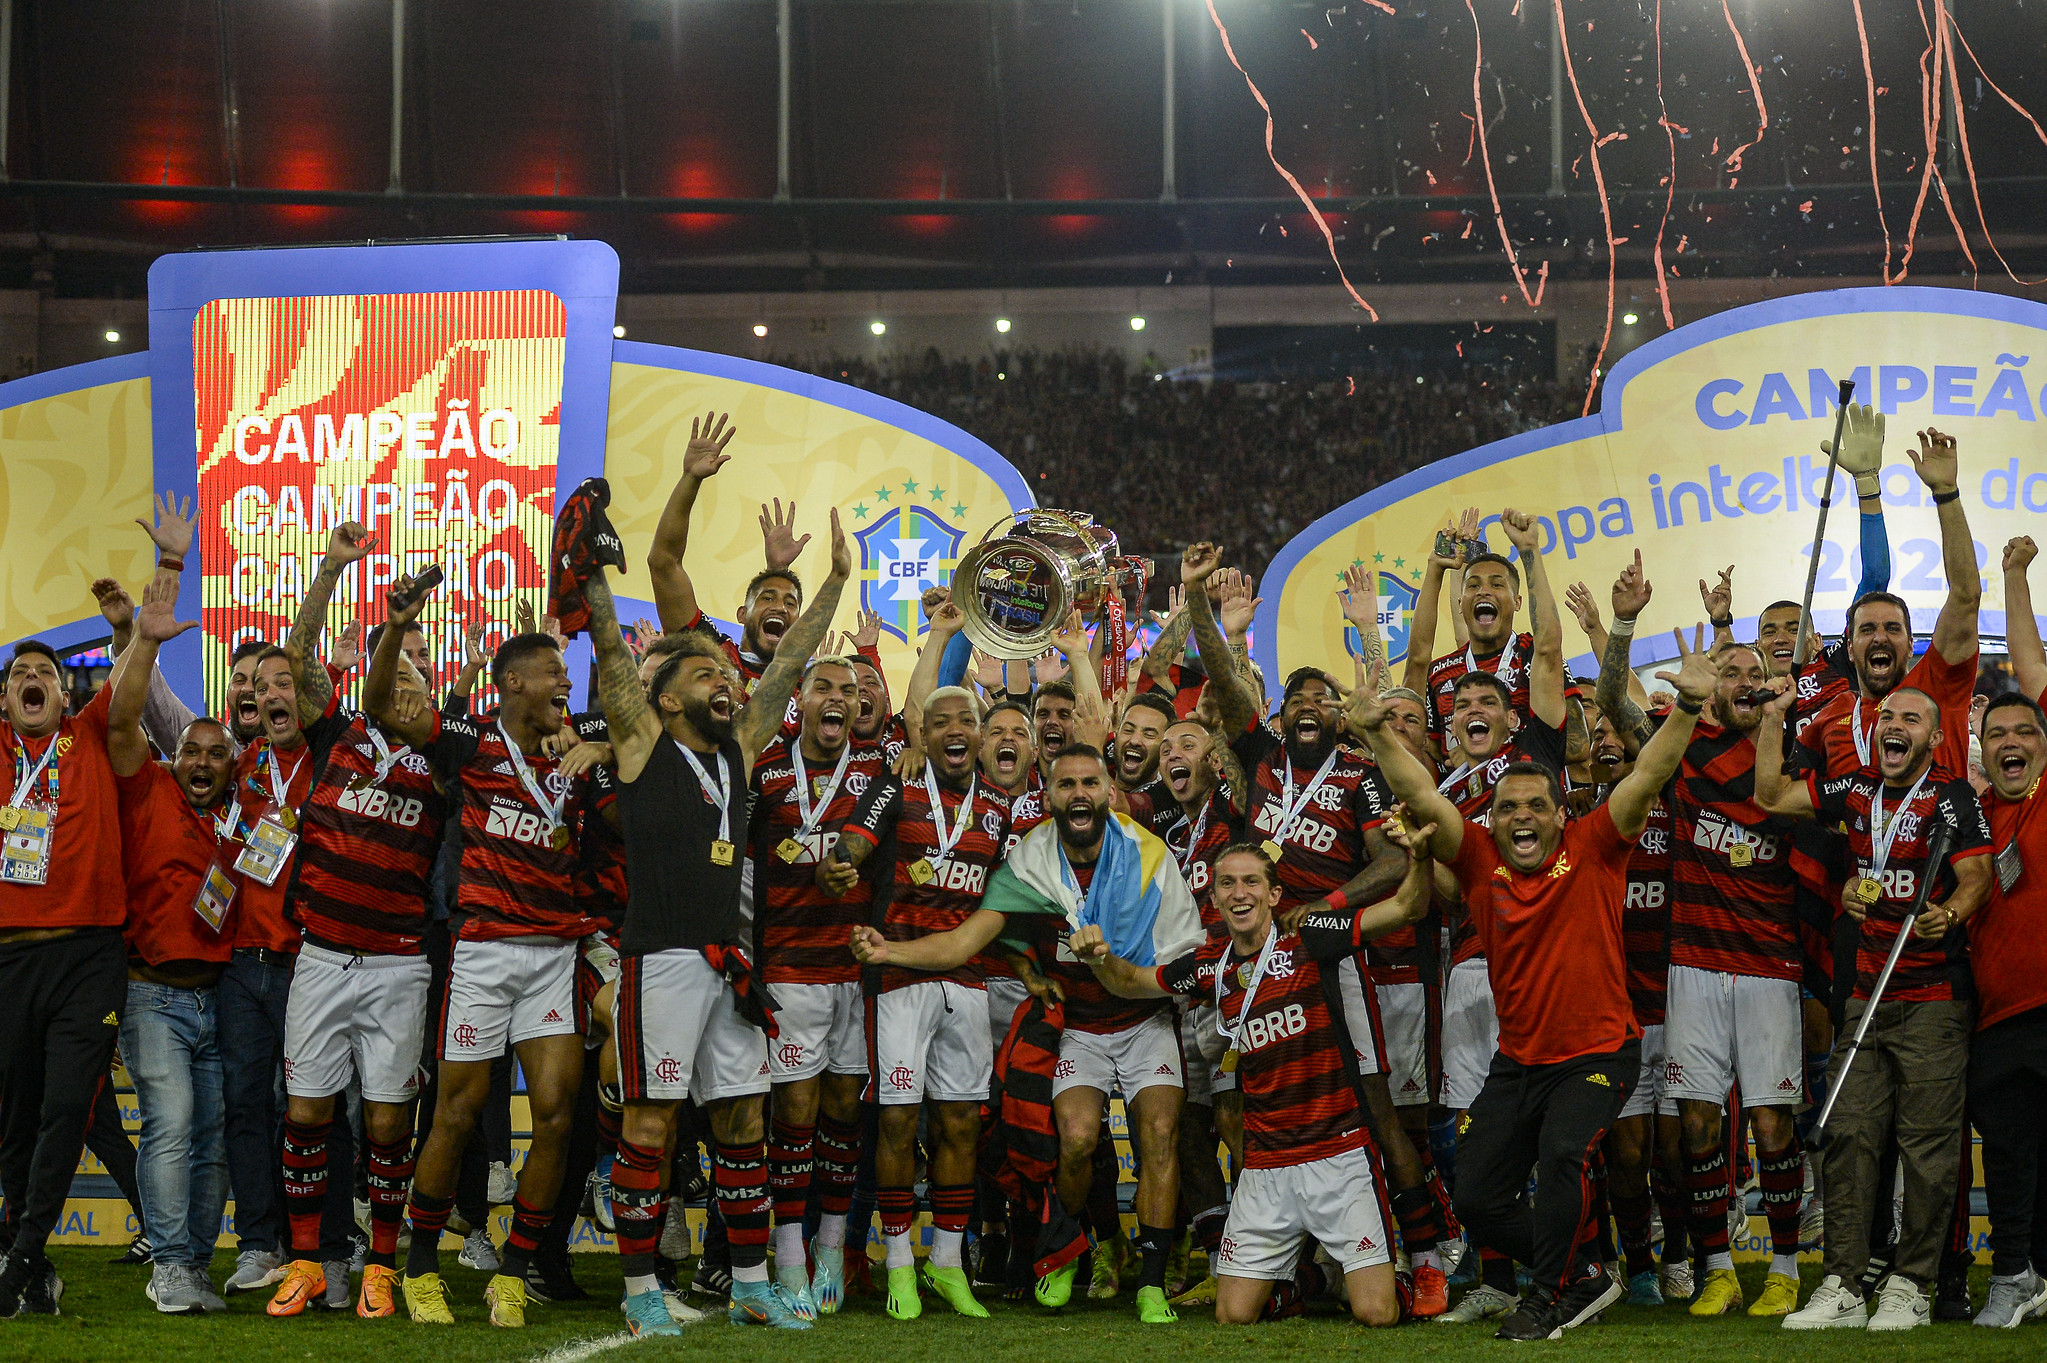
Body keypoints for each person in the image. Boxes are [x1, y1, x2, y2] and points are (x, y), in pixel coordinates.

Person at [1352, 615, 1718, 1341]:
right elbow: (1423, 800)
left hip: (1596, 1051)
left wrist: (1683, 707)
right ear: (1491, 819)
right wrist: (1376, 735)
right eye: (1507, 808)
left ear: (1561, 813)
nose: (1521, 817)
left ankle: (1549, 1297)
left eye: (1535, 807)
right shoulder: (1481, 857)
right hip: (1517, 1061)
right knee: (1478, 1196)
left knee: (1559, 1158)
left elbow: (1648, 772)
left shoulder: (1594, 846)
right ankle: (1580, 1271)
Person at [588, 504, 849, 1337]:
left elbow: (791, 663)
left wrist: (838, 580)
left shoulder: (735, 750)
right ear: (665, 696)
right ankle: (638, 1291)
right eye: (705, 675)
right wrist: (591, 577)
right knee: (652, 1125)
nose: (724, 680)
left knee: (742, 1122)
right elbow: (606, 653)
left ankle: (746, 1282)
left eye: (724, 674)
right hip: (658, 961)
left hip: (728, 967)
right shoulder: (641, 743)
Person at [848, 743, 1205, 1324]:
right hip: (1080, 1029)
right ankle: (1063, 1253)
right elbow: (969, 942)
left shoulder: (1149, 857)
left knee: (1159, 1132)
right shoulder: (1030, 862)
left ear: (1110, 792)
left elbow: (1180, 965)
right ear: (1048, 798)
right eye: (1066, 786)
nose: (1079, 794)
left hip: (1143, 1017)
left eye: (1090, 783)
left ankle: (1154, 1284)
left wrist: (1112, 969)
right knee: (1077, 1141)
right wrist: (895, 950)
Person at [1070, 834, 1440, 1326]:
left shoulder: (1312, 935)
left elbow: (1407, 908)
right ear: (1215, 897)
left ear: (1273, 894)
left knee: (1376, 1314)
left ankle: (1348, 1278)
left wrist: (1419, 855)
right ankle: (1315, 1280)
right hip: (1266, 1165)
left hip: (1338, 1153)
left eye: (1251, 882)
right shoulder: (1211, 968)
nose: (1238, 892)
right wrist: (1097, 955)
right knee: (1232, 1313)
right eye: (1227, 883)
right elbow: (1131, 981)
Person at [370, 583, 604, 1328]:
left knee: (558, 1117)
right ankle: (419, 1267)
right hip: (483, 952)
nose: (565, 683)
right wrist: (395, 627)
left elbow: (647, 730)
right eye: (552, 673)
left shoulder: (583, 744)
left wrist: (598, 742)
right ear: (510, 683)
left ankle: (514, 1267)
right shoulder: (469, 743)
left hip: (553, 954)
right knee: (457, 1113)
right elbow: (384, 705)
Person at [1597, 553, 1808, 1318]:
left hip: (1769, 967)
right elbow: (1615, 713)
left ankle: (1782, 1265)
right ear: (1710, 685)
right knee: (1695, 1121)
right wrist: (1620, 624)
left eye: (1751, 669)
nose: (1742, 679)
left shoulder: (1791, 754)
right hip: (1691, 963)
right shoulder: (1679, 748)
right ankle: (1717, 1265)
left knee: (1771, 1122)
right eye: (1727, 670)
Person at [1757, 682, 1992, 1332]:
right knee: (1848, 1133)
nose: (1893, 724)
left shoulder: (1951, 798)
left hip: (1932, 999)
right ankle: (1842, 1282)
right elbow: (1771, 795)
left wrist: (1949, 911)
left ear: (1935, 737)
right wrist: (1773, 719)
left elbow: (1975, 875)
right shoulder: (1855, 791)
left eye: (1909, 717)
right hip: (1864, 994)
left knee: (1925, 1144)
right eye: (1886, 715)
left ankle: (1909, 1283)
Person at [262, 523, 452, 1322]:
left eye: (415, 671)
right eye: (393, 670)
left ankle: (377, 1264)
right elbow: (300, 658)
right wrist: (331, 571)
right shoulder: (334, 732)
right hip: (321, 954)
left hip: (400, 962)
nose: (405, 683)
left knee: (385, 1119)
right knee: (305, 1110)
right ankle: (308, 1261)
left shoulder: (448, 756)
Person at [105, 562, 233, 1316]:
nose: (203, 762)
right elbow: (125, 717)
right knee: (173, 1123)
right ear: (174, 756)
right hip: (152, 994)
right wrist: (138, 640)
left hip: (222, 998)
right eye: (192, 750)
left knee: (211, 1136)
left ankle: (192, 1262)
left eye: (217, 754)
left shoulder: (244, 818)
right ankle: (173, 1263)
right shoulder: (147, 784)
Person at [747, 654, 885, 1314]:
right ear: (799, 698)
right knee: (794, 1116)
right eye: (824, 687)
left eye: (851, 691)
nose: (839, 698)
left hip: (855, 970)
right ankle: (789, 1254)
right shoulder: (764, 768)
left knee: (842, 1113)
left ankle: (832, 1246)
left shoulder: (881, 769)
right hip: (789, 968)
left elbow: (877, 833)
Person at [645, 410, 811, 694]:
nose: (780, 607)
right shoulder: (710, 654)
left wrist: (777, 573)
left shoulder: (810, 686)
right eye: (767, 598)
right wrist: (690, 479)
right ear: (742, 614)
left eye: (790, 604)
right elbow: (664, 563)